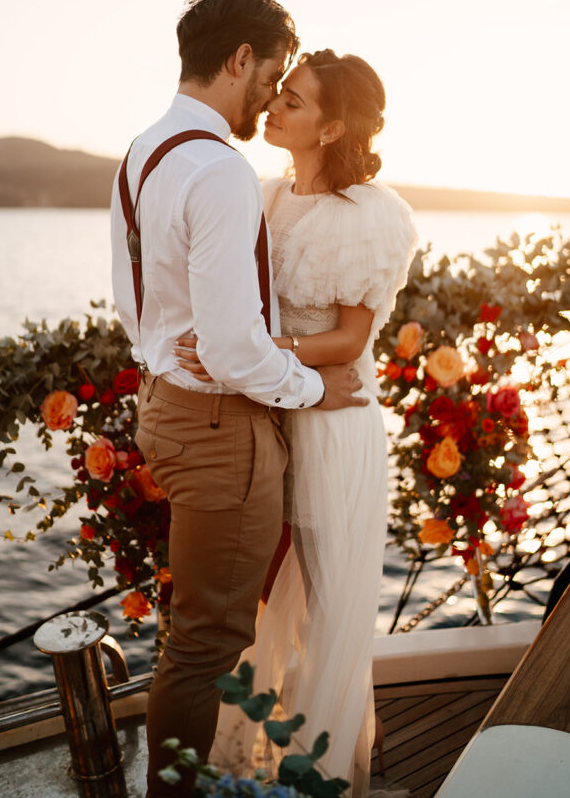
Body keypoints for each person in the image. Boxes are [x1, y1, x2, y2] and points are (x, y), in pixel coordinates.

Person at [110, 0, 368, 798]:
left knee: (194, 636)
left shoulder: (142, 152)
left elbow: (136, 306)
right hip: (221, 428)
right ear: (240, 59)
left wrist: (186, 361)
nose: (273, 91)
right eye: (273, 73)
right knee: (205, 645)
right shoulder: (218, 171)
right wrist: (309, 388)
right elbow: (230, 347)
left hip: (167, 407)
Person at [179, 49, 417, 794]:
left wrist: (255, 350)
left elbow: (348, 341)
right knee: (262, 592)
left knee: (324, 602)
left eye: (295, 100)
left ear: (333, 125)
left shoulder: (371, 216)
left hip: (334, 424)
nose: (275, 106)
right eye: (278, 93)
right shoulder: (264, 194)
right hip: (272, 413)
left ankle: (323, 773)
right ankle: (258, 755)